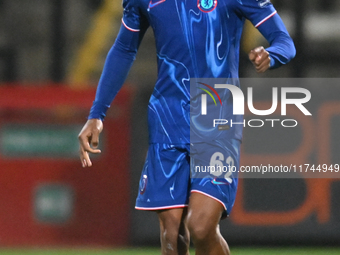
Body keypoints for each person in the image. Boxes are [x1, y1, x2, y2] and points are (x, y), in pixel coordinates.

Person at [78, 0, 295, 254]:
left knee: (201, 226)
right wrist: (97, 114)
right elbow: (124, 49)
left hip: (217, 117)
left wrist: (272, 54)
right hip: (166, 119)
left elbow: (284, 41)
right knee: (172, 235)